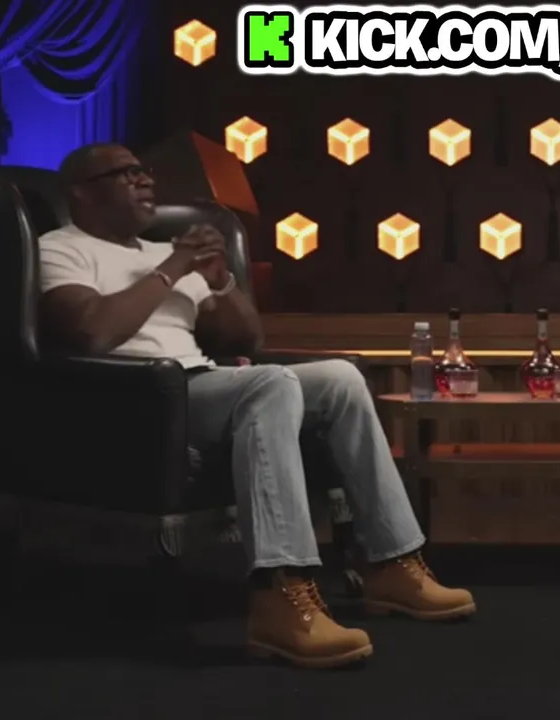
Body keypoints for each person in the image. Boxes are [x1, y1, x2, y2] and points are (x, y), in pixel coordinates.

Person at [36, 143, 475, 670]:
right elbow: (90, 332)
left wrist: (220, 279)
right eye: (123, 174)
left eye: (143, 171)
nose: (143, 180)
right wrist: (173, 267)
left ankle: (392, 564)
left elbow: (246, 338)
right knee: (269, 384)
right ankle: (279, 593)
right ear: (81, 193)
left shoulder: (161, 251)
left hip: (202, 384)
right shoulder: (61, 248)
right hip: (135, 399)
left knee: (340, 377)